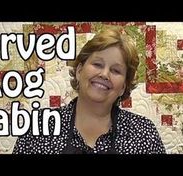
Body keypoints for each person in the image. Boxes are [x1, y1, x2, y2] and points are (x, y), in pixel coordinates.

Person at [12, 27, 166, 154]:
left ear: (123, 87)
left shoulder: (144, 132)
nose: (104, 74)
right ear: (79, 71)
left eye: (116, 71)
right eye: (98, 64)